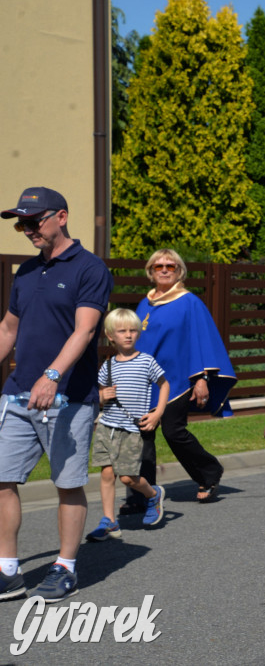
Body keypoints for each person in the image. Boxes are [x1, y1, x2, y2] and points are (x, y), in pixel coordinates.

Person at [0, 186, 113, 602]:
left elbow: (85, 329)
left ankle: (65, 567)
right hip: (17, 396)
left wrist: (52, 375)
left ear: (61, 217)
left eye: (34, 221)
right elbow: (8, 328)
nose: (28, 229)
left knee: (67, 484)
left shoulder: (90, 268)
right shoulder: (27, 271)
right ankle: (7, 570)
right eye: (21, 224)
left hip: (69, 397)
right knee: (2, 479)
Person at [132, 249, 236, 507]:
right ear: (150, 271)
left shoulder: (190, 302)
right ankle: (143, 494)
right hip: (146, 382)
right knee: (142, 435)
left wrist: (201, 380)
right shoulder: (144, 304)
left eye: (171, 266)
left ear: (180, 271)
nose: (164, 270)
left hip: (177, 380)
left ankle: (209, 472)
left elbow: (202, 340)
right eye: (158, 266)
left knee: (173, 431)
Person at [87, 309, 170, 541]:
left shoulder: (146, 361)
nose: (128, 335)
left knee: (127, 478)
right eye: (122, 331)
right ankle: (109, 521)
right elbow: (99, 394)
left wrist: (158, 413)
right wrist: (102, 396)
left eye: (133, 330)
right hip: (107, 427)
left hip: (131, 430)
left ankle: (153, 494)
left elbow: (164, 385)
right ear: (110, 336)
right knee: (106, 474)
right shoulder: (108, 366)